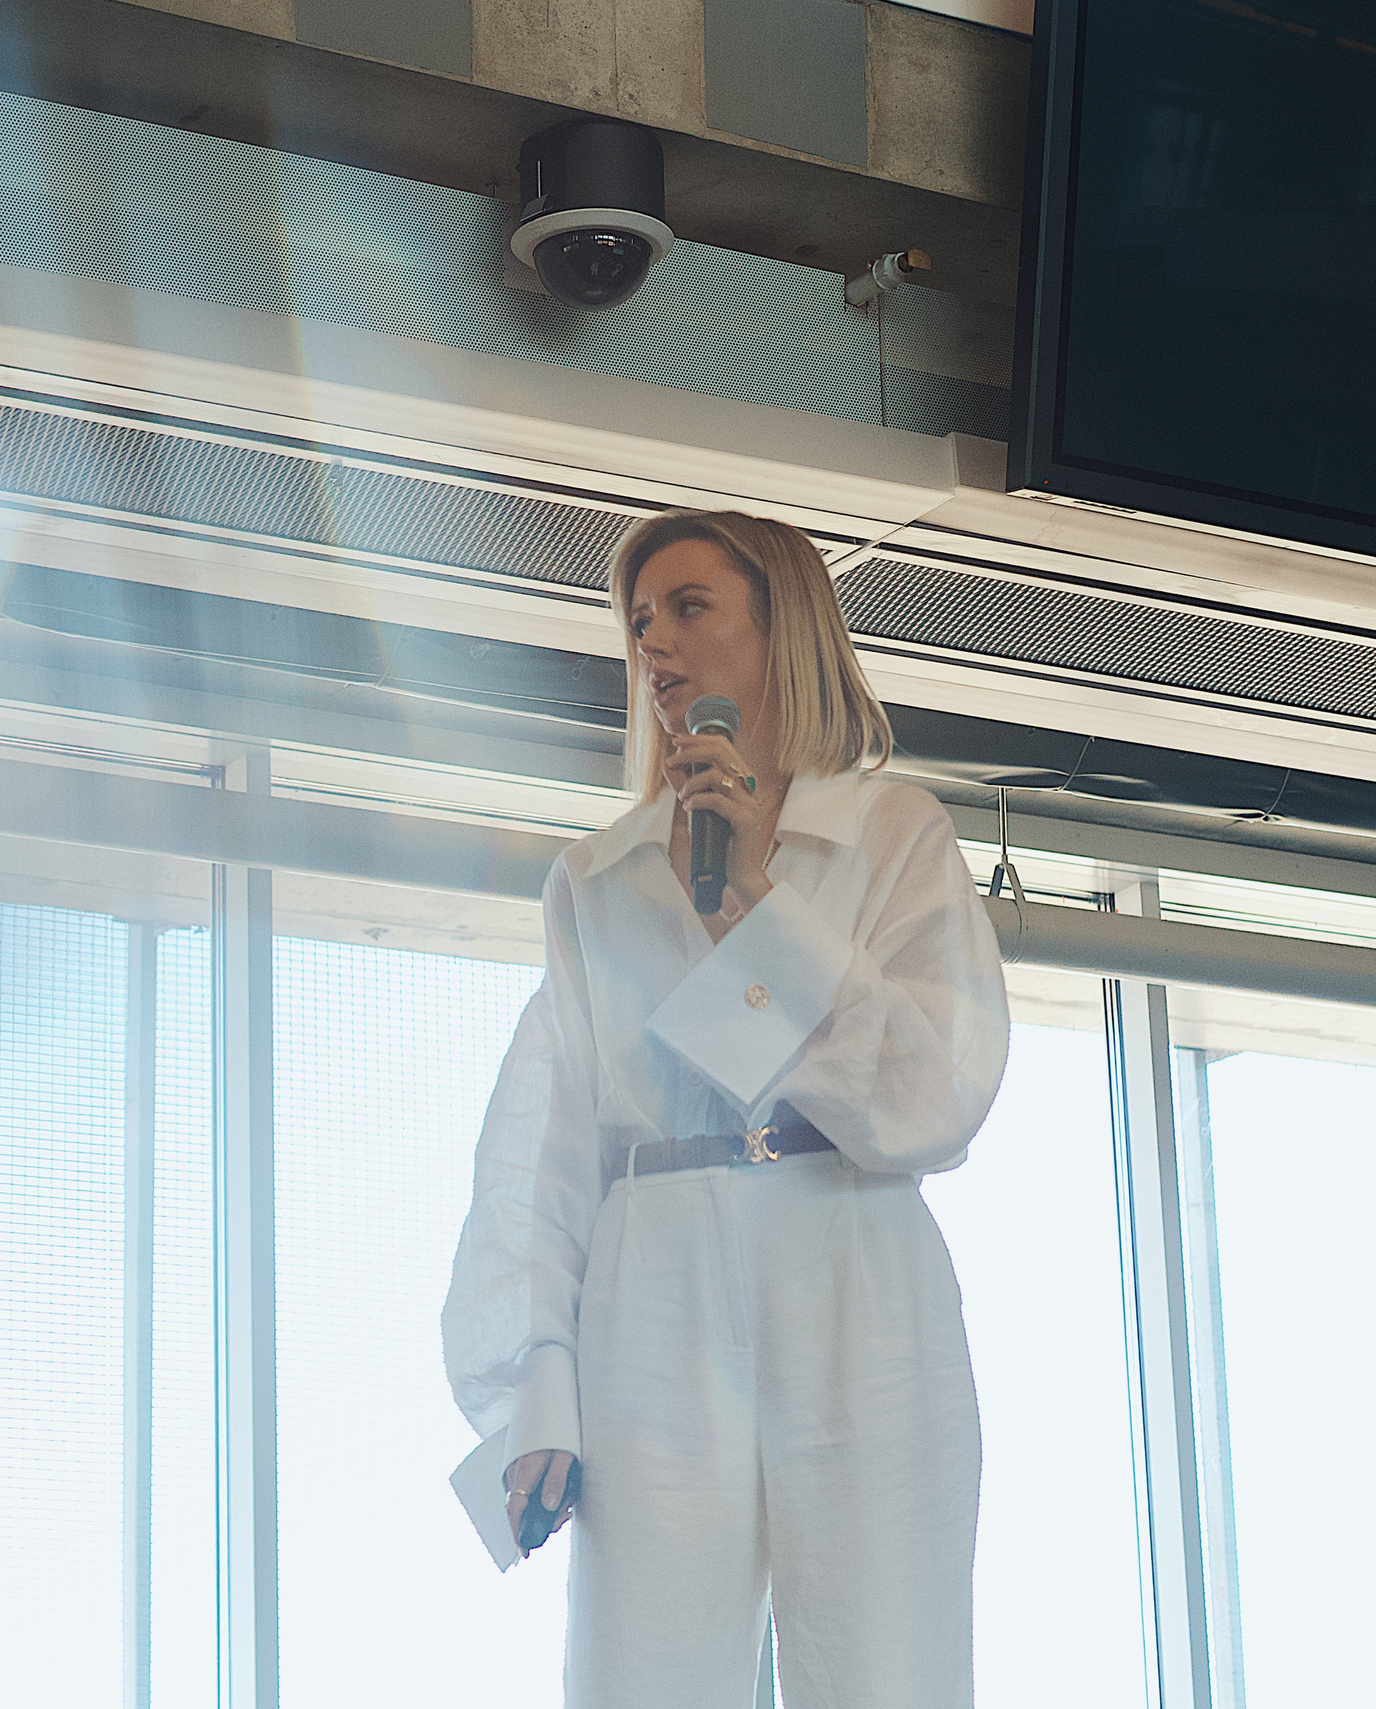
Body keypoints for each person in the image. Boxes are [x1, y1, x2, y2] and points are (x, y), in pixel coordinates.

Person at [442, 510, 1012, 1708]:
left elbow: (932, 1100)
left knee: (886, 1662)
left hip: (853, 1254)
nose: (654, 641)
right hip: (653, 1280)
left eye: (689, 607)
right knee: (642, 1671)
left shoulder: (889, 832)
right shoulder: (595, 878)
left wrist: (753, 899)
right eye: (638, 619)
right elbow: (548, 1153)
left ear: (780, 626)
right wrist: (540, 1385)